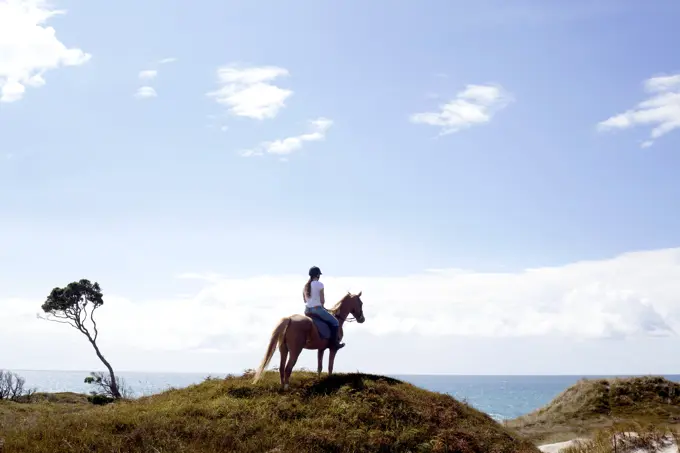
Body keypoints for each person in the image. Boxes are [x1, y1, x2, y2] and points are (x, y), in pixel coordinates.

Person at [303, 266, 345, 350]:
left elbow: (305, 300)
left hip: (307, 311)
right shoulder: (320, 284)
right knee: (335, 322)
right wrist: (322, 306)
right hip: (317, 310)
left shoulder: (305, 286)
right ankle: (334, 344)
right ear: (318, 275)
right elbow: (322, 300)